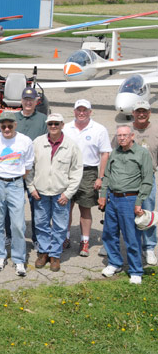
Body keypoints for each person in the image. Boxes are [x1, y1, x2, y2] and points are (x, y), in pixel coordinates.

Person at [27, 113, 82, 272]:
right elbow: (29, 167)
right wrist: (31, 187)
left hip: (61, 193)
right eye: (50, 124)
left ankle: (55, 255)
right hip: (41, 192)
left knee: (60, 226)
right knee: (41, 224)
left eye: (56, 124)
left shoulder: (71, 145)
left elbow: (77, 171)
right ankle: (43, 252)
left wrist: (68, 193)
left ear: (62, 125)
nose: (53, 127)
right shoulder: (37, 142)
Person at [99, 124, 153, 285]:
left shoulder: (142, 154)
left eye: (124, 135)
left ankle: (136, 270)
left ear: (132, 136)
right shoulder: (114, 153)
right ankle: (114, 262)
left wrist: (139, 201)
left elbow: (147, 180)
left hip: (129, 199)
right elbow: (107, 176)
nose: (121, 138)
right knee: (109, 233)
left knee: (131, 237)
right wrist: (102, 195)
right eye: (119, 135)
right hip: (112, 198)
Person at [0, 111, 34, 277]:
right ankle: (0, 255)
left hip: (15, 183)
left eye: (9, 125)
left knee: (18, 224)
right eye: (3, 125)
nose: (6, 128)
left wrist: (15, 179)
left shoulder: (25, 141)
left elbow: (27, 166)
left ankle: (19, 259)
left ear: (15, 125)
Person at [111, 101, 158, 266]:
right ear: (133, 113)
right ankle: (118, 244)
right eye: (138, 111)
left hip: (147, 178)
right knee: (122, 212)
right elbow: (113, 152)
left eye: (144, 111)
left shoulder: (156, 130)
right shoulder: (126, 131)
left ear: (149, 112)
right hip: (126, 180)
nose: (141, 114)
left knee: (147, 211)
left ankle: (149, 247)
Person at [63, 99, 112, 257]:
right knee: (65, 207)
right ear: (74, 111)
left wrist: (101, 177)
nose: (82, 113)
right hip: (68, 171)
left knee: (85, 208)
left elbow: (105, 153)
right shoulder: (66, 128)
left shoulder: (99, 129)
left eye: (85, 110)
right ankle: (65, 237)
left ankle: (85, 241)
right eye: (79, 110)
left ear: (90, 112)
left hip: (88, 171)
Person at [14, 87, 47, 249]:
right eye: (25, 99)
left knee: (37, 206)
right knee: (14, 207)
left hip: (35, 171)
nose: (28, 102)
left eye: (31, 100)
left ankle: (37, 237)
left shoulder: (43, 119)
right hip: (16, 171)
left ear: (36, 102)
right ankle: (13, 235)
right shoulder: (13, 119)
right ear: (21, 101)